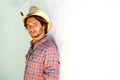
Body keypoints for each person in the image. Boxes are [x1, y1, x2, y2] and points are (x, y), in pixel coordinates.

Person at [20, 6, 60, 80]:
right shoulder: (33, 45)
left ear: (43, 25)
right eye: (29, 26)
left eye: (35, 24)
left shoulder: (49, 49)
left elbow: (51, 78)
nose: (31, 28)